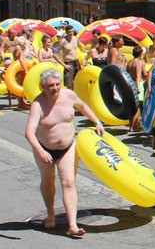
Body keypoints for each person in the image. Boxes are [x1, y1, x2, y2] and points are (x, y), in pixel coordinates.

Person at [23, 68, 105, 238]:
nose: (55, 88)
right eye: (50, 86)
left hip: (67, 146)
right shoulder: (38, 105)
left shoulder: (69, 95)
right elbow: (29, 132)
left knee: (68, 182)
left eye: (57, 84)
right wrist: (40, 151)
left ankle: (73, 225)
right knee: (48, 182)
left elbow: (82, 106)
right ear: (42, 87)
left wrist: (97, 121)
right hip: (44, 148)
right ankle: (51, 215)